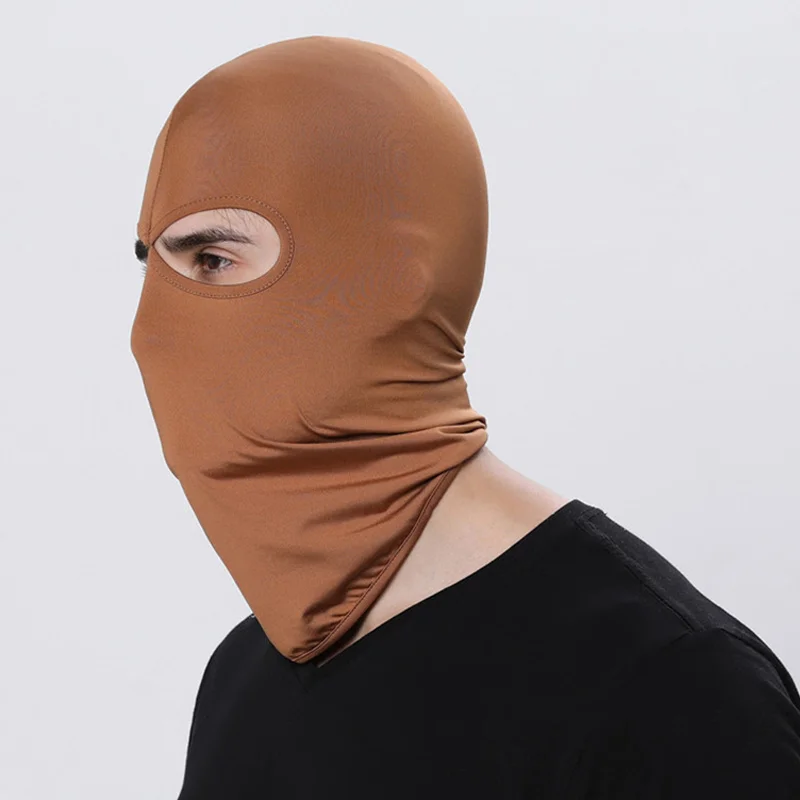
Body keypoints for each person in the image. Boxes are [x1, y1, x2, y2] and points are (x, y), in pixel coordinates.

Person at [130, 35, 800, 798]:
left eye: (212, 261)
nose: (149, 332)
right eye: (152, 266)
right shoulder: (245, 676)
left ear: (388, 276)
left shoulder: (670, 689)